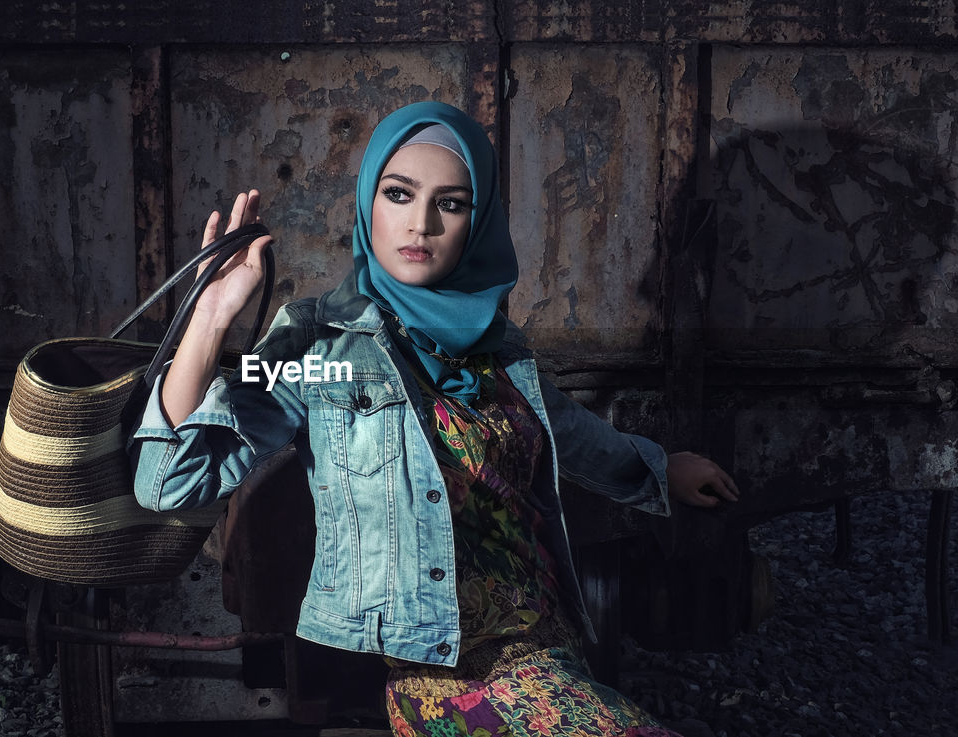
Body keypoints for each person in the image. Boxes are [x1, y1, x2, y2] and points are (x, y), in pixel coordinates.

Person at [131, 101, 739, 736]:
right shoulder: (321, 351)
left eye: (450, 204)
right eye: (399, 194)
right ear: (369, 203)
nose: (419, 224)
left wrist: (661, 468)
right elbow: (168, 479)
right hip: (447, 677)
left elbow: (568, 433)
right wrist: (211, 311)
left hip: (549, 642)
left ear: (477, 224)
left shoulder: (498, 347)